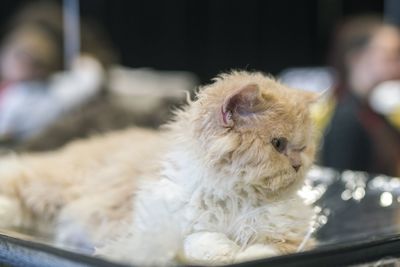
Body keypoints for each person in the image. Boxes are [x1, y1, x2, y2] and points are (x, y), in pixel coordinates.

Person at [321, 15, 400, 177]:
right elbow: (342, 188)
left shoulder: (373, 114)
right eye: (391, 56)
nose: (398, 64)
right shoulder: (347, 119)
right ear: (356, 58)